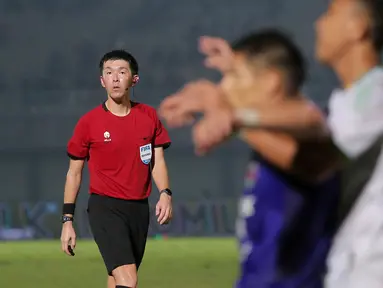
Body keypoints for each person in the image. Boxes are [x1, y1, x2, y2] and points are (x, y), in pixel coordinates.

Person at [160, 0, 383, 287]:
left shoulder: (374, 95)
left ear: (357, 27)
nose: (318, 23)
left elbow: (318, 155)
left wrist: (230, 113)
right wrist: (229, 99)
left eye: (331, 13)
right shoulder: (344, 102)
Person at [171, 29, 342, 288]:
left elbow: (310, 119)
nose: (225, 88)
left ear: (271, 82)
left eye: (235, 76)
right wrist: (231, 119)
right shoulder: (267, 141)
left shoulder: (309, 137)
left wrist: (232, 116)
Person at [60, 50, 173, 288]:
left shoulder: (149, 116)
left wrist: (165, 193)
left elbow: (158, 161)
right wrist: (67, 220)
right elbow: (74, 173)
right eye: (109, 73)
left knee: (116, 278)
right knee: (128, 279)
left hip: (139, 209)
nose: (115, 78)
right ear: (102, 81)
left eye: (122, 72)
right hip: (106, 208)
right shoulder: (89, 123)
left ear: (134, 79)